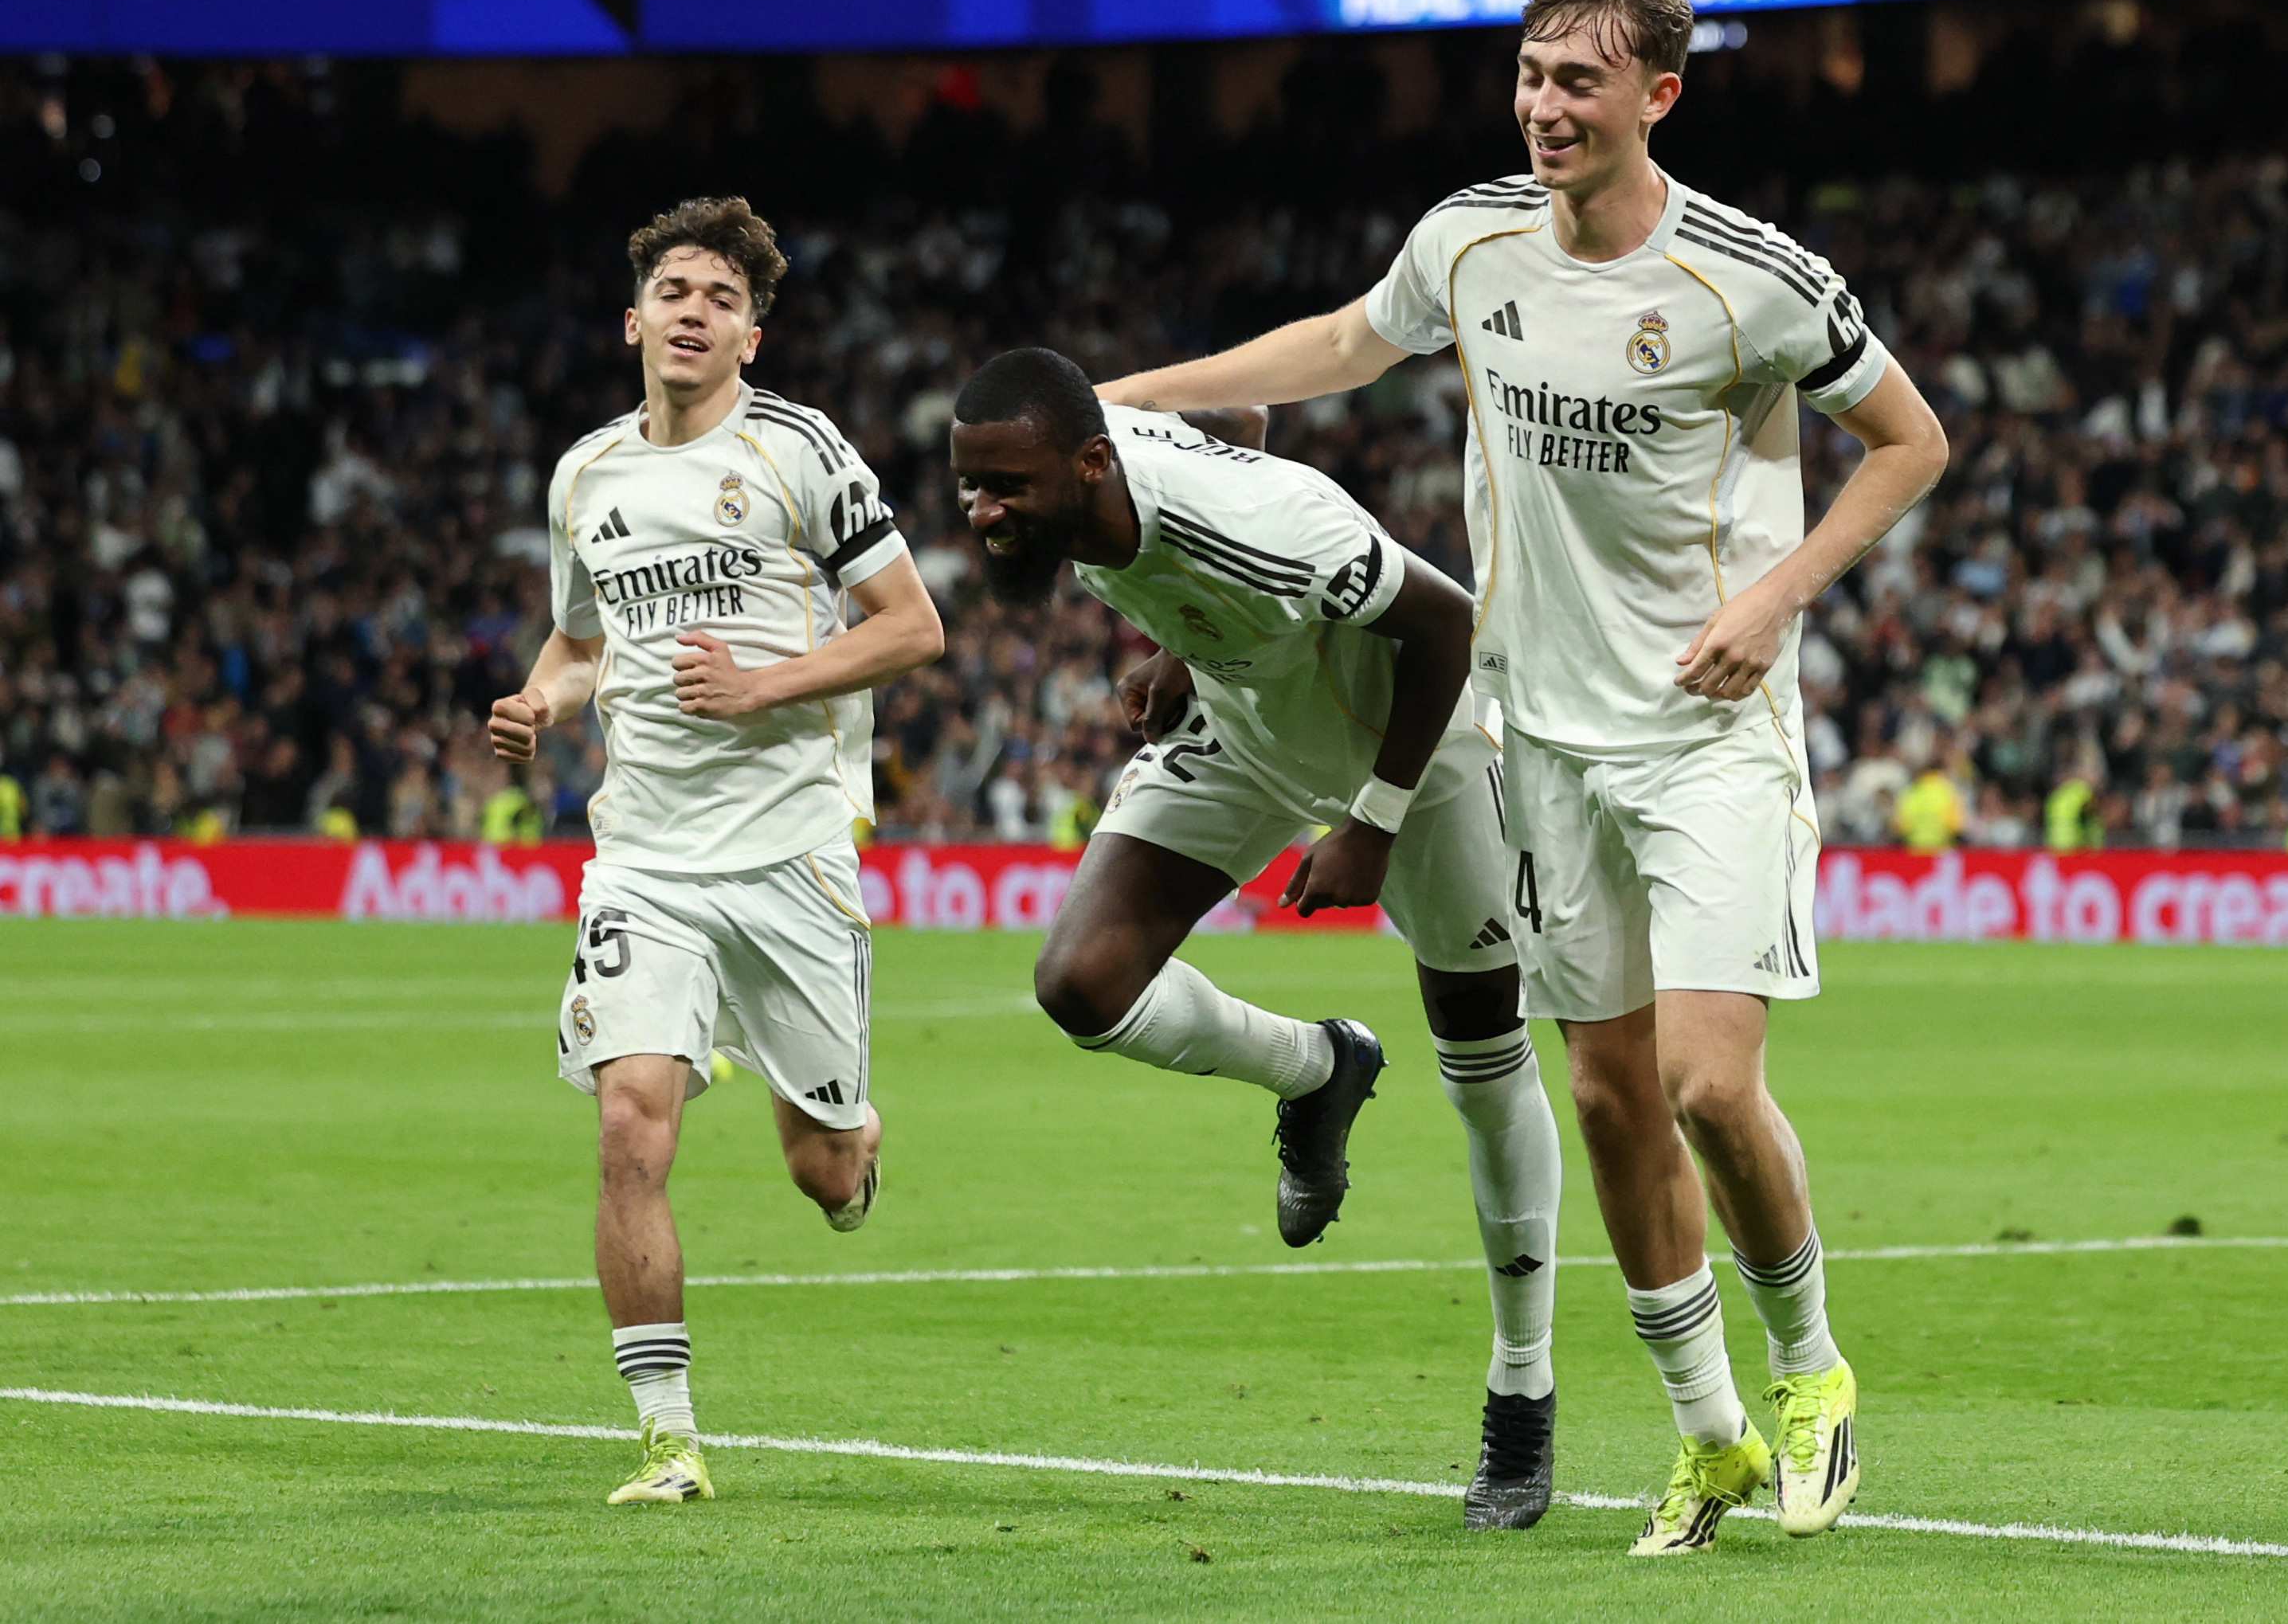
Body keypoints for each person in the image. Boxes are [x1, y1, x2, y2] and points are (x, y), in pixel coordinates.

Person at [1096, 0, 1949, 1552]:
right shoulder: (1468, 239)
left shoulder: (1746, 278)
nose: (1544, 107)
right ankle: (1703, 1437)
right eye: (1528, 75)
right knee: (1613, 1100)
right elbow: (1341, 348)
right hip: (1538, 737)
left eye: (1578, 82)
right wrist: (1127, 396)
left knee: (1703, 1082)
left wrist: (1776, 597)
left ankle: (1810, 1367)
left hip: (1704, 735)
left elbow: (1910, 441)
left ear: (1656, 98)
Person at [949, 347, 1568, 1531]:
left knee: (1486, 1069)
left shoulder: (1264, 529)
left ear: (1086, 464)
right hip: (1248, 727)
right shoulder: (1093, 458)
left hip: (1421, 751)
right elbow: (1239, 412)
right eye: (971, 486)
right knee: (1083, 982)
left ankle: (1521, 1393)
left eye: (1007, 488)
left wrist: (1375, 830)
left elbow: (1442, 622)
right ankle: (1321, 1067)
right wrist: (1183, 647)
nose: (985, 512)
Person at [488, 197, 945, 1508]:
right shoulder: (586, 477)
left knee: (824, 1172)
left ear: (754, 329)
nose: (694, 312)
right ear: (634, 320)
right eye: (674, 292)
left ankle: (849, 1128)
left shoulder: (802, 451)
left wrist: (768, 684)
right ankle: (669, 1438)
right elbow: (582, 647)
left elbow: (914, 628)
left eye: (721, 297)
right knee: (632, 1125)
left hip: (790, 853)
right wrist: (541, 702)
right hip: (645, 859)